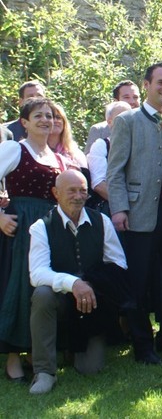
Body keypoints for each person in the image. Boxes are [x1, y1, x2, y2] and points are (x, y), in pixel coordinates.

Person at [27, 170, 146, 394]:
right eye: (71, 191)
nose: (78, 196)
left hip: (93, 304)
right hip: (59, 299)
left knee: (91, 369)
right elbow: (37, 273)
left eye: (83, 191)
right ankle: (44, 372)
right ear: (56, 193)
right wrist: (73, 284)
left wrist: (91, 283)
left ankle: (72, 350)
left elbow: (118, 264)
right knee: (42, 294)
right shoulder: (41, 227)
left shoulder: (102, 221)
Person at [106, 62, 162, 364]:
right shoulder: (127, 121)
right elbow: (115, 171)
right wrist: (119, 208)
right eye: (161, 82)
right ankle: (143, 345)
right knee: (139, 283)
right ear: (146, 85)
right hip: (139, 213)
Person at [0, 97, 65, 383]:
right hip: (20, 227)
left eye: (49, 116)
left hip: (47, 228)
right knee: (17, 288)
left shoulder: (56, 156)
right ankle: (12, 357)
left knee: (39, 290)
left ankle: (33, 350)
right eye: (38, 115)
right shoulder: (14, 148)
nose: (45, 120)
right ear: (24, 122)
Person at [86, 101, 131, 211]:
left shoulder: (141, 145)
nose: (127, 121)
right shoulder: (101, 145)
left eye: (129, 117)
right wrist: (124, 205)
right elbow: (98, 184)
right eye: (121, 117)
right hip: (111, 210)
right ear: (109, 122)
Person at [84, 80, 141, 153]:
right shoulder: (99, 130)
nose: (132, 101)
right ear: (115, 101)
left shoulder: (147, 126)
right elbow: (90, 158)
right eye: (126, 97)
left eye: (135, 97)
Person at [48, 102, 88, 171]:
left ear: (64, 123)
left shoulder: (74, 152)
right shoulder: (35, 150)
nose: (55, 120)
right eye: (50, 117)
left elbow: (85, 175)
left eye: (58, 117)